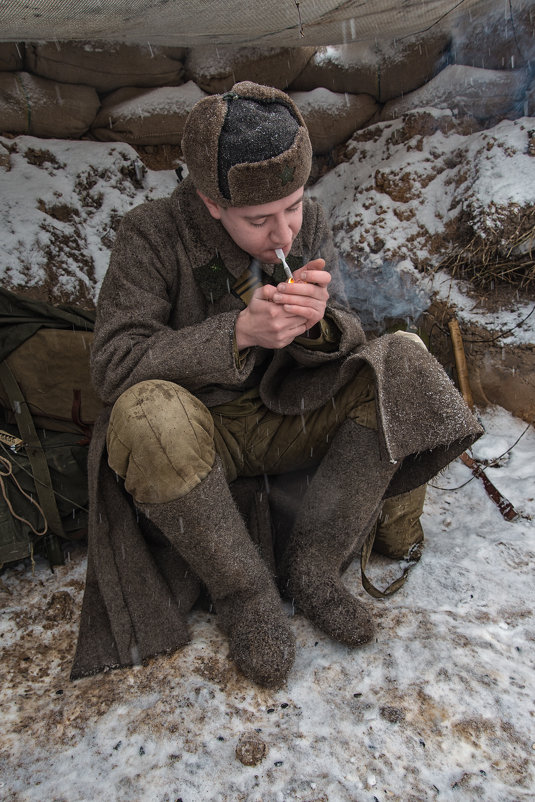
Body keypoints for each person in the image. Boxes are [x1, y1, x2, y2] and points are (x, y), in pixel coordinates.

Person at [71, 82, 482, 687]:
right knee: (143, 413)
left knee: (402, 361)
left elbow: (347, 336)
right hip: (197, 434)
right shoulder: (152, 234)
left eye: (293, 207)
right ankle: (247, 598)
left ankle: (315, 568)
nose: (285, 234)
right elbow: (113, 364)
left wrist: (319, 326)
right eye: (260, 219)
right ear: (212, 203)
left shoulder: (305, 223)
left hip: (286, 416)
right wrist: (236, 333)